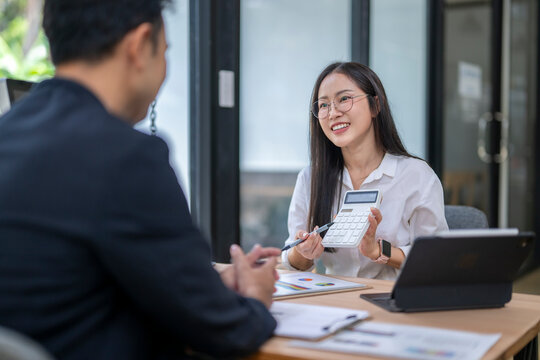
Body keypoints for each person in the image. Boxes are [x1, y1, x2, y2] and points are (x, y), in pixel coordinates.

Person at [0, 1, 280, 359]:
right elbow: (227, 330)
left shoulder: (9, 132)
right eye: (165, 51)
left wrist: (201, 287)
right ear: (140, 44)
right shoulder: (125, 156)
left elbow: (65, 288)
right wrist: (255, 298)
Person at [282, 62, 448, 280]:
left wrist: (379, 251)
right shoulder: (310, 178)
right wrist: (302, 252)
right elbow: (292, 263)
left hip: (393, 300)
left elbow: (435, 260)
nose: (333, 113)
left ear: (375, 106)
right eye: (323, 105)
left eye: (344, 99)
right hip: (336, 300)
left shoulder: (416, 175)